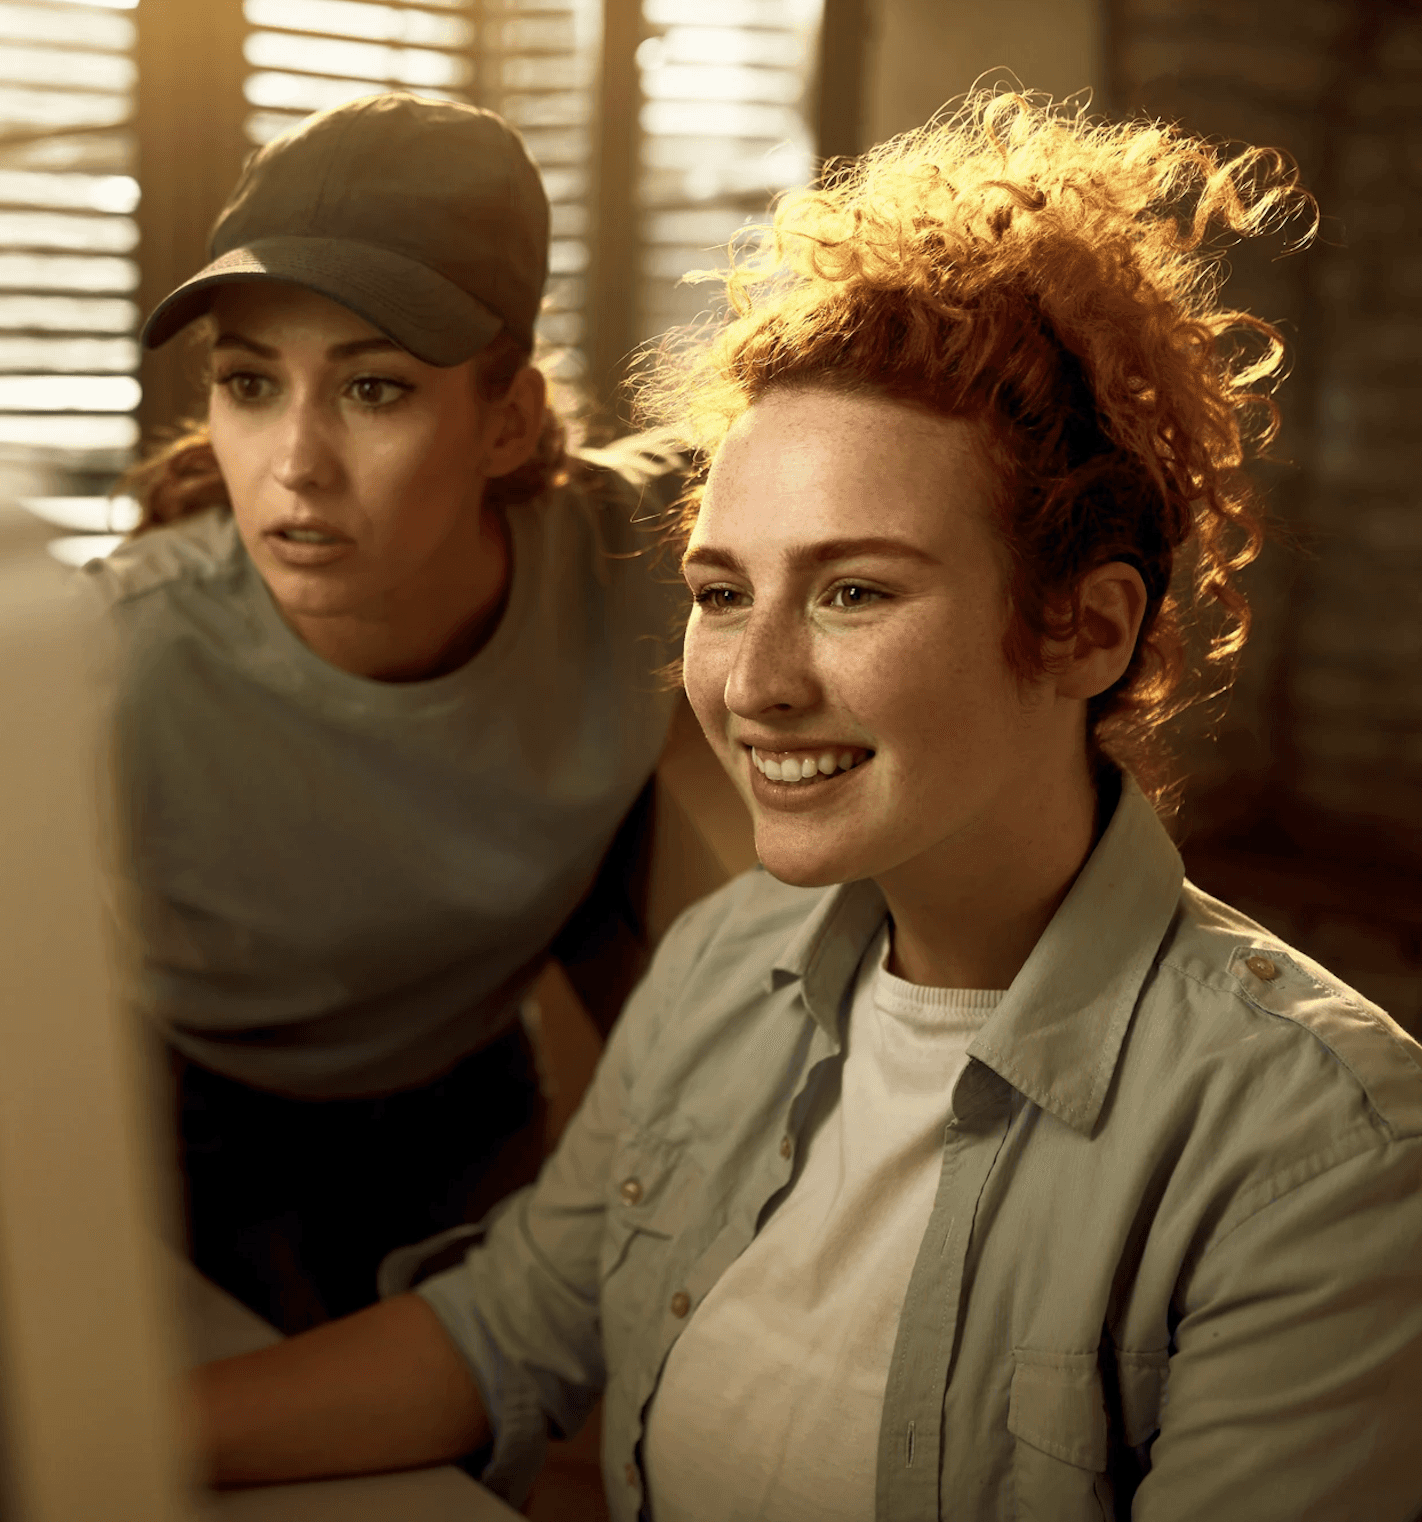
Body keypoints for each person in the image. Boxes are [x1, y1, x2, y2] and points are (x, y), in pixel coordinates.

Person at [189, 92, 1422, 1518]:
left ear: (1085, 629)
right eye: (721, 593)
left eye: (852, 591)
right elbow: (506, 1323)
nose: (754, 685)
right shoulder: (724, 968)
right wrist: (80, 1435)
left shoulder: (1319, 1150)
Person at [87, 93, 693, 1333]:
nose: (294, 463)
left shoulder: (643, 548)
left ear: (505, 421)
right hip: (181, 1115)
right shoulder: (111, 654)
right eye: (249, 383)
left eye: (371, 389)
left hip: (466, 1093)